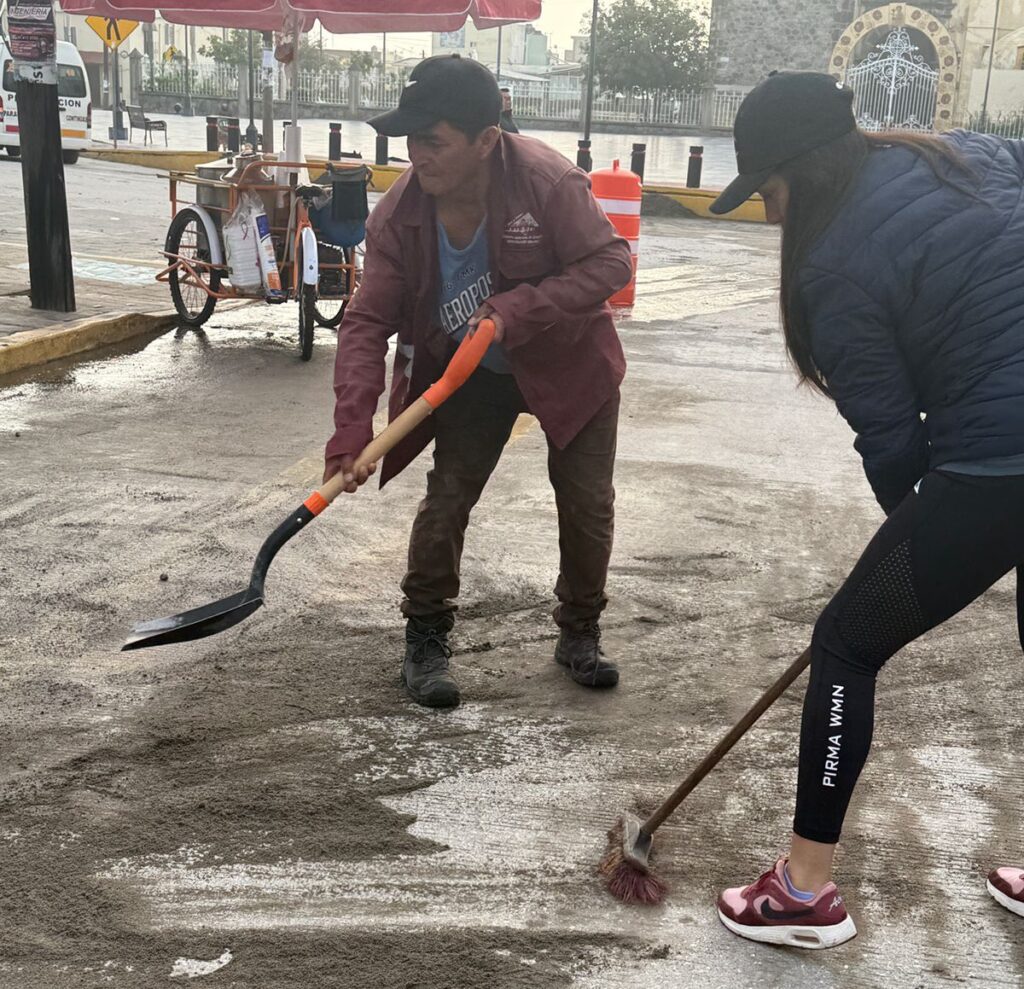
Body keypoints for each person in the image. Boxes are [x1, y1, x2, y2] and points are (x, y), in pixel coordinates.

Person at [709, 70, 1024, 947]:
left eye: (769, 191)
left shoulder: (832, 269)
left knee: (848, 642)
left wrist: (917, 541)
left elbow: (891, 444)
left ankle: (803, 891)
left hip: (997, 460)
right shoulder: (967, 154)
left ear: (802, 173)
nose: (770, 214)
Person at [323, 54, 632, 709]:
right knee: (448, 495)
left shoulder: (547, 182)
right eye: (411, 140)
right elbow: (367, 320)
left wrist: (518, 308)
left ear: (486, 140)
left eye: (433, 142)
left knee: (586, 503)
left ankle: (580, 629)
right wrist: (352, 427)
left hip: (570, 364)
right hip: (472, 373)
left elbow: (611, 262)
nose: (417, 156)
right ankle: (425, 636)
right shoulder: (399, 215)